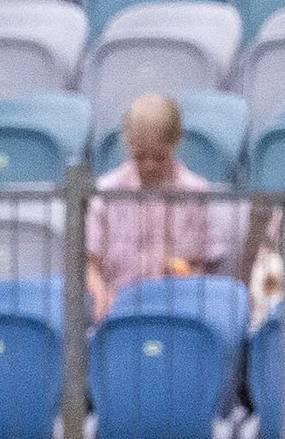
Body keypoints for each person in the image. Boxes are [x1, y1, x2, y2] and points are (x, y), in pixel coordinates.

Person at [84, 93, 242, 319]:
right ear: (128, 145)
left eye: (159, 157)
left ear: (175, 143)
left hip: (179, 310)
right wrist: (100, 294)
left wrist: (186, 275)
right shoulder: (106, 191)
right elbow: (89, 264)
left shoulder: (196, 192)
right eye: (140, 156)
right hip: (116, 310)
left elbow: (205, 266)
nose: (149, 166)